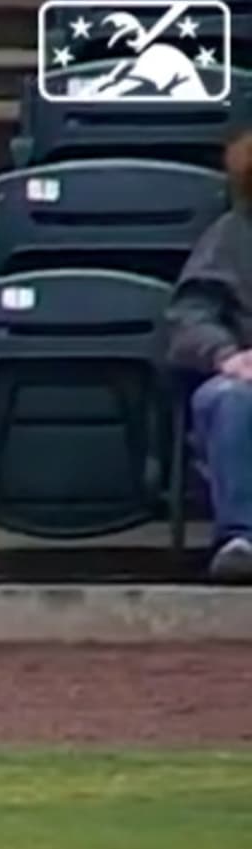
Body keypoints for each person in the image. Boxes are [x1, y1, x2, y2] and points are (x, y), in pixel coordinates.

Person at [162, 128, 252, 583]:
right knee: (229, 398)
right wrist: (227, 356)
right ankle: (245, 541)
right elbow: (188, 317)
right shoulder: (233, 237)